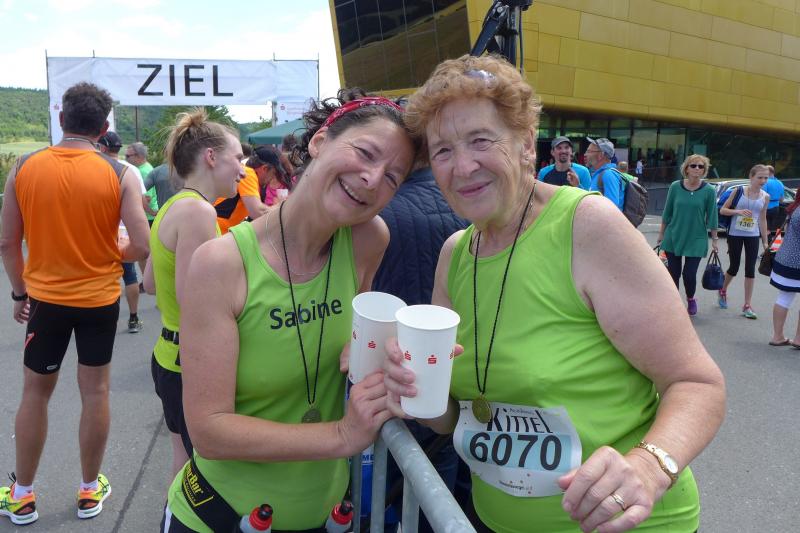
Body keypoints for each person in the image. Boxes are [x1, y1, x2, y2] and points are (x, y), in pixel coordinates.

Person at [385, 54, 725, 532]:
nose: (462, 166)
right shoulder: (454, 254)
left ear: (526, 144)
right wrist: (413, 389)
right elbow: (455, 415)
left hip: (621, 522)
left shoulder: (586, 225)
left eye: (481, 140)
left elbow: (698, 384)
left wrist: (650, 467)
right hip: (495, 520)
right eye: (442, 151)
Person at [160, 89, 418, 532]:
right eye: (365, 152)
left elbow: (352, 339)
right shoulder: (221, 263)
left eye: (393, 176)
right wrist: (342, 435)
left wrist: (383, 358)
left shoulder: (368, 240)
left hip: (326, 516)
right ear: (319, 141)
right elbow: (208, 430)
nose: (373, 179)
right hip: (220, 517)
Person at [0, 82, 149, 525]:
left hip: (46, 300)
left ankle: (22, 496)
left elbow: (7, 242)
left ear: (62, 119)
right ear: (103, 128)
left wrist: (19, 292)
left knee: (35, 393)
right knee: (96, 392)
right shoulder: (121, 173)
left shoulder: (24, 166)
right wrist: (112, 252)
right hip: (99, 300)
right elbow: (141, 245)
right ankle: (88, 489)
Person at [143, 109, 243, 479]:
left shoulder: (173, 204)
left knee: (183, 462)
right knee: (201, 472)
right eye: (237, 158)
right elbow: (194, 302)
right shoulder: (199, 212)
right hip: (189, 362)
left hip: (168, 356)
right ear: (211, 157)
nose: (243, 170)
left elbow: (151, 283)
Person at [372, 164, 469, 532]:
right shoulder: (466, 208)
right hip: (461, 378)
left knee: (417, 490)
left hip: (404, 376)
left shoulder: (378, 210)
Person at [98, 131, 150, 333]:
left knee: (101, 276)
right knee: (129, 276)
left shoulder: (97, 167)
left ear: (102, 148)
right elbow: (143, 201)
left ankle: (99, 322)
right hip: (125, 231)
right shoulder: (131, 170)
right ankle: (133, 318)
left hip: (101, 232)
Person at [657, 154, 719, 316]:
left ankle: (691, 299)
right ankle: (674, 304)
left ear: (704, 170)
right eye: (693, 165)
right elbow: (667, 212)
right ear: (686, 168)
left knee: (689, 274)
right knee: (673, 273)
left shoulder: (709, 190)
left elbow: (712, 216)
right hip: (674, 235)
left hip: (696, 238)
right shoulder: (675, 186)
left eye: (701, 166)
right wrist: (661, 234)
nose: (697, 169)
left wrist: (715, 240)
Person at [718, 164, 771, 319]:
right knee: (734, 267)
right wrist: (738, 211)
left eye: (766, 178)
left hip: (752, 235)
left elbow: (762, 219)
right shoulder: (738, 191)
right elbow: (723, 210)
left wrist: (765, 242)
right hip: (735, 233)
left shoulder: (765, 196)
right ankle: (722, 289)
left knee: (750, 269)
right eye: (760, 177)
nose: (763, 181)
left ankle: (747, 305)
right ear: (751, 176)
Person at [213, 143, 268, 233]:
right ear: (265, 169)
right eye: (238, 159)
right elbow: (257, 212)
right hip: (219, 233)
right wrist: (282, 207)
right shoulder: (248, 173)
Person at [769, 193, 800, 346]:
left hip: (785, 258)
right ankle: (799, 339)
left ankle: (777, 336)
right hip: (797, 262)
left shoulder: (795, 208)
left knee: (784, 297)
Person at [585, 137, 626, 211]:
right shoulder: (600, 174)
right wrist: (577, 185)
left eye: (589, 151)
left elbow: (612, 209)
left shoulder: (608, 175)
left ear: (601, 155)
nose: (585, 154)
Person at [762, 164, 785, 233]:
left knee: (765, 227)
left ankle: (767, 239)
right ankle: (771, 238)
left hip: (767, 207)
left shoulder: (765, 182)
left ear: (768, 172)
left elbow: (762, 195)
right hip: (776, 208)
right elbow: (782, 199)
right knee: (772, 228)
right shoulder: (780, 183)